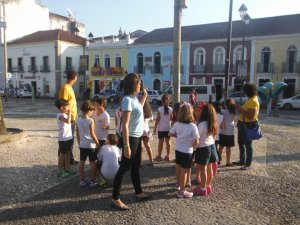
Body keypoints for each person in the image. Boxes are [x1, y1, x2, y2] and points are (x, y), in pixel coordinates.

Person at [112, 73, 151, 211]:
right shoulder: (127, 100)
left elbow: (139, 108)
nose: (140, 84)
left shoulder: (134, 99)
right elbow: (125, 124)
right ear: (132, 84)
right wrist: (127, 145)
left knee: (135, 167)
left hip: (137, 137)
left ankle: (139, 192)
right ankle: (115, 198)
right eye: (138, 82)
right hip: (131, 139)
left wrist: (144, 96)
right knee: (124, 168)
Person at [169, 102, 199, 198]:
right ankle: (182, 191)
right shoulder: (193, 126)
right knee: (185, 170)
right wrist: (194, 145)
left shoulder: (177, 124)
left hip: (178, 149)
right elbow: (196, 141)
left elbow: (169, 133)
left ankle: (178, 185)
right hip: (187, 151)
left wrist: (177, 136)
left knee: (178, 167)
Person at [193, 104, 219, 196]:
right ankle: (208, 186)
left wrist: (193, 148)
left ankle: (202, 188)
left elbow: (197, 138)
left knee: (203, 169)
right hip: (212, 147)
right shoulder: (212, 122)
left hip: (203, 148)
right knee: (209, 168)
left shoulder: (202, 124)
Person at [235, 84, 260, 170]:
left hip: (248, 125)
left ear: (247, 91)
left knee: (248, 145)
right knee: (241, 143)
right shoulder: (250, 100)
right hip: (243, 124)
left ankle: (248, 164)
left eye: (244, 91)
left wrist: (241, 109)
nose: (243, 92)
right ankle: (242, 160)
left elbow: (250, 116)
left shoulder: (253, 101)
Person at [76, 101, 100, 187]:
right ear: (89, 110)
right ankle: (92, 181)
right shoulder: (90, 120)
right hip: (90, 145)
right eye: (92, 111)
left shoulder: (78, 120)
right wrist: (98, 144)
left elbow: (77, 134)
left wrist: (79, 143)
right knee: (92, 162)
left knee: (81, 161)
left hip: (82, 144)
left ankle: (82, 180)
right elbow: (92, 134)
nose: (92, 112)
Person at [59, 70, 78, 164]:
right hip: (68, 119)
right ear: (75, 78)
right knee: (66, 141)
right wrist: (67, 117)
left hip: (72, 117)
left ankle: (70, 160)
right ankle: (63, 162)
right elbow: (63, 104)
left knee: (70, 140)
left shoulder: (69, 87)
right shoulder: (66, 88)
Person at [55, 99, 72, 178]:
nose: (68, 107)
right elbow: (68, 121)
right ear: (61, 107)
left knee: (68, 153)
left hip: (69, 137)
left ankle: (67, 169)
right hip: (63, 138)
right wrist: (70, 113)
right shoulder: (60, 115)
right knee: (62, 155)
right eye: (67, 106)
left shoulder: (65, 114)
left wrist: (69, 114)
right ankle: (60, 171)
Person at [153, 94, 173, 161]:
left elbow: (157, 120)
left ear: (162, 101)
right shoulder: (171, 109)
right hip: (168, 128)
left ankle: (159, 156)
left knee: (160, 143)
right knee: (168, 142)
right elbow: (171, 119)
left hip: (161, 128)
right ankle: (168, 156)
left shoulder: (159, 109)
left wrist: (155, 128)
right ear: (169, 101)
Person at [218, 98, 236, 166]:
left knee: (221, 147)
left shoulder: (222, 111)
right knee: (228, 148)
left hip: (222, 132)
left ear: (225, 105)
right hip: (230, 133)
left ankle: (218, 160)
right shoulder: (233, 113)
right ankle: (228, 162)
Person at [141, 99, 154, 166]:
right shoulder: (149, 110)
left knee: (140, 147)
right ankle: (151, 161)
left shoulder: (139, 109)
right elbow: (151, 119)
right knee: (148, 146)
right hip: (146, 130)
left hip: (139, 130)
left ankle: (140, 162)